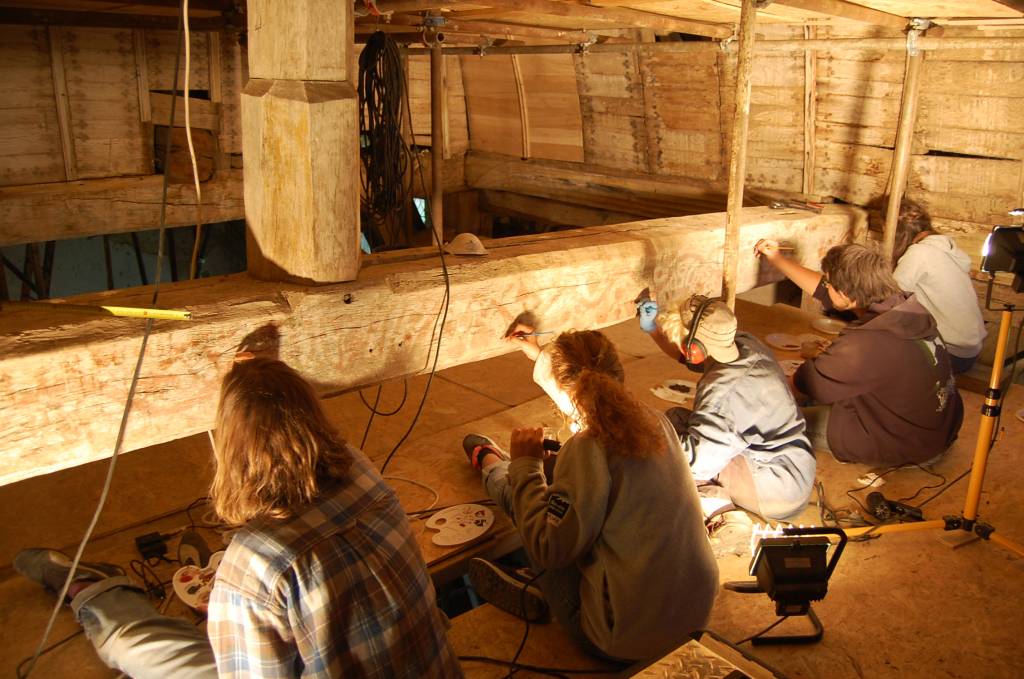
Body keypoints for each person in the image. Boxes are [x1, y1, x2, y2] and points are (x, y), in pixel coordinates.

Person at [15, 357, 462, 679]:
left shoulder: (256, 564)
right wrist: (263, 376)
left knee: (151, 649)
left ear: (229, 449)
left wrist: (240, 607)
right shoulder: (362, 472)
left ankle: (89, 590)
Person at [462, 328, 718, 664]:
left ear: (568, 395)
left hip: (625, 641)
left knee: (529, 512)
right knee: (558, 500)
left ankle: (490, 462)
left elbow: (549, 545)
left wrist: (524, 464)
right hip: (694, 619)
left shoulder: (586, 447)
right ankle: (531, 573)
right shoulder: (657, 421)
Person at [755, 241, 963, 465]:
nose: (826, 287)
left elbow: (800, 387)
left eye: (830, 283)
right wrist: (776, 258)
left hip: (907, 444)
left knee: (771, 418)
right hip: (936, 430)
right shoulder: (903, 307)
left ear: (846, 295)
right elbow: (825, 290)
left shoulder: (866, 343)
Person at [637, 294, 816, 523]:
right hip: (794, 465)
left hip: (776, 490)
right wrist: (653, 329)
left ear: (695, 349)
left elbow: (699, 463)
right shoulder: (745, 343)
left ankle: (720, 513)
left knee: (670, 460)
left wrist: (638, 441)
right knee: (674, 419)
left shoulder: (722, 393)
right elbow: (691, 357)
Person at [888, 198, 986, 373]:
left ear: (898, 234)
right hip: (969, 351)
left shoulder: (920, 253)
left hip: (950, 352)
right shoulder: (944, 245)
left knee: (873, 351)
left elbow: (889, 300)